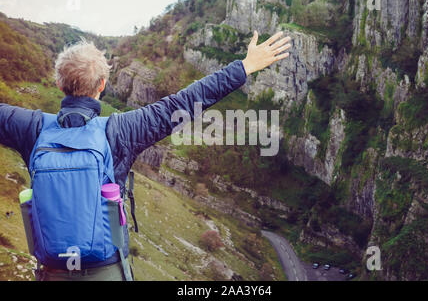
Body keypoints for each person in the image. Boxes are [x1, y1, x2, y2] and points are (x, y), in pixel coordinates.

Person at [0, 31, 291, 281]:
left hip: (53, 270)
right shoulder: (122, 130)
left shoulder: (32, 128)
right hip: (107, 270)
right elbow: (184, 102)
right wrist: (244, 67)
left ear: (59, 84)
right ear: (102, 85)